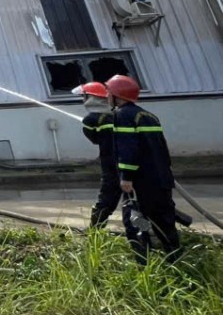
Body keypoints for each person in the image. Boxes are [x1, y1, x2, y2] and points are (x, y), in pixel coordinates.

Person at [108, 74, 181, 265]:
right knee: (164, 221)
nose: (107, 96)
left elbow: (128, 148)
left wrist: (126, 177)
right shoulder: (148, 116)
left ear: (117, 95)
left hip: (140, 182)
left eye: (109, 92)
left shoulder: (122, 116)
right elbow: (162, 148)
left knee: (135, 220)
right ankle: (175, 259)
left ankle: (144, 263)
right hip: (161, 179)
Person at [73, 82, 118, 229]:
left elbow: (94, 139)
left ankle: (95, 231)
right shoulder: (117, 115)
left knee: (106, 198)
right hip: (132, 161)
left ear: (90, 98)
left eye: (84, 96)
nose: (83, 100)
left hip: (111, 164)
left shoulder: (91, 119)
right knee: (139, 198)